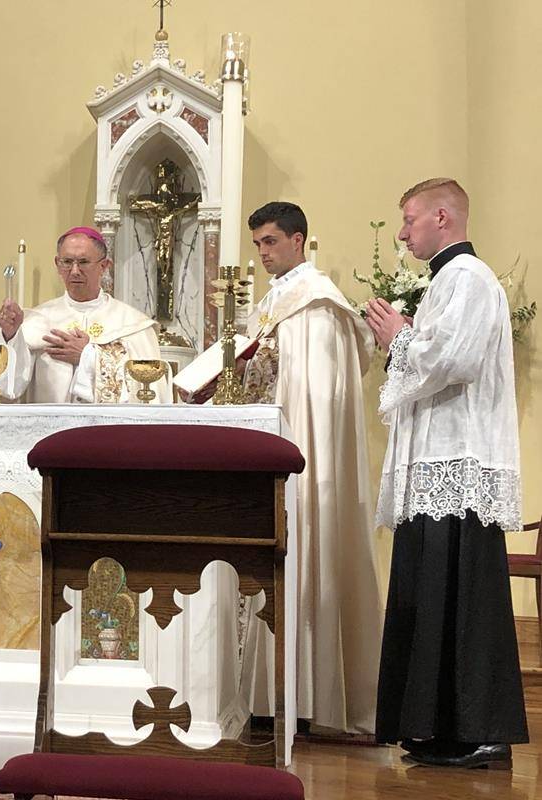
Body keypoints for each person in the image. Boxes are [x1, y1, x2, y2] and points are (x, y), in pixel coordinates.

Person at [366, 178, 526, 768]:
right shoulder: (444, 282)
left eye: (409, 220)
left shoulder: (470, 279)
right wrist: (405, 337)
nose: (403, 232)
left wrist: (400, 336)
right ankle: (436, 726)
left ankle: (480, 730)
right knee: (429, 595)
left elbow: (455, 360)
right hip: (435, 464)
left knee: (463, 598)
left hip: (459, 465)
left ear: (442, 217)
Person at [224, 202, 382, 734]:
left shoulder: (316, 305)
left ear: (298, 240)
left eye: (271, 242)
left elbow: (316, 399)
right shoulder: (276, 303)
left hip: (305, 460)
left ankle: (305, 699)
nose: (264, 254)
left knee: (306, 552)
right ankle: (268, 695)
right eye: (258, 244)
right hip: (271, 448)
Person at [0, 226, 168, 403]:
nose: (74, 271)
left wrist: (88, 356)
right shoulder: (38, 319)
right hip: (48, 433)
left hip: (106, 434)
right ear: (57, 263)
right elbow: (9, 387)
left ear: (104, 266)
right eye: (67, 262)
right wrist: (11, 336)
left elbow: (147, 393)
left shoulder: (132, 324)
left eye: (83, 262)